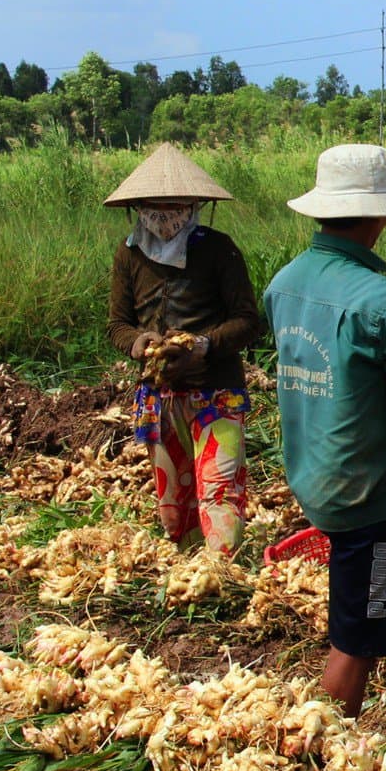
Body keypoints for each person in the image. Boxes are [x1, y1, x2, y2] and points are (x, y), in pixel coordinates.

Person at [264, 145, 386, 717]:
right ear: (381, 216)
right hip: (358, 493)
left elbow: (346, 369)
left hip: (312, 467)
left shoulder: (287, 282)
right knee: (354, 641)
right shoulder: (379, 300)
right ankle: (325, 744)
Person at [105, 144, 261, 555]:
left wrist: (202, 346)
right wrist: (140, 344)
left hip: (216, 394)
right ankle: (190, 574)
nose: (164, 218)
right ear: (139, 208)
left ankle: (221, 576)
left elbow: (248, 320)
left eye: (174, 208)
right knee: (173, 504)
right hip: (160, 397)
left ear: (192, 207)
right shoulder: (129, 253)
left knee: (219, 490)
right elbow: (117, 323)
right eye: (155, 209)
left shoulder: (218, 249)